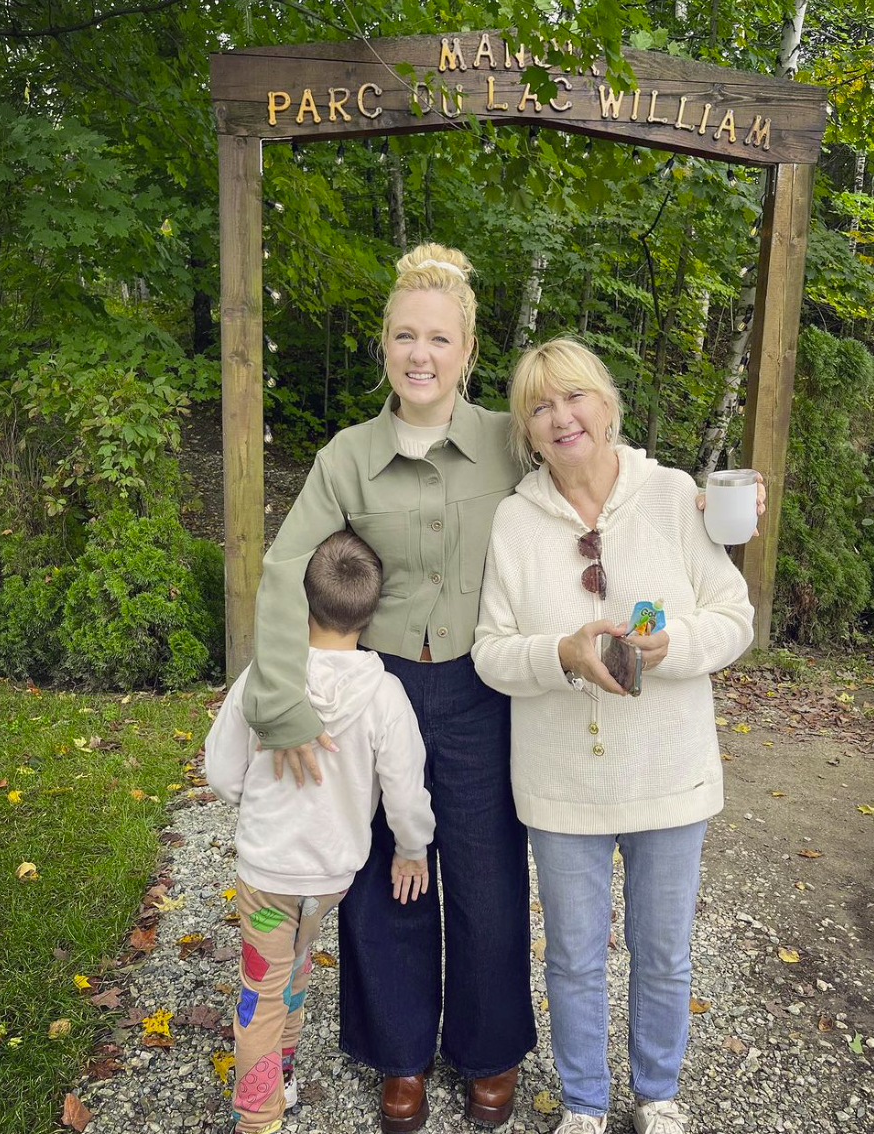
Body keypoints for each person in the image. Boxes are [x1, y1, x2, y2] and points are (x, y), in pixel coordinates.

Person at [241, 244, 537, 1131]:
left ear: (468, 352)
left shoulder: (505, 438)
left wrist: (691, 506)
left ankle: (488, 1052)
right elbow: (285, 571)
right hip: (382, 690)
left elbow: (592, 476)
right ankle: (399, 1055)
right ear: (383, 346)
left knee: (487, 877)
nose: (421, 354)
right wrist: (284, 701)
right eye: (404, 335)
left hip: (484, 690)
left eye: (439, 339)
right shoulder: (346, 457)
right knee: (383, 878)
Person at [471, 338, 756, 1134]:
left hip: (669, 772)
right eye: (540, 407)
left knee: (664, 955)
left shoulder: (670, 496)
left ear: (607, 402)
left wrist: (675, 649)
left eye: (575, 398)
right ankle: (587, 1105)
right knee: (572, 959)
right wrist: (560, 654)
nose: (562, 418)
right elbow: (491, 652)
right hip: (563, 783)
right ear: (526, 433)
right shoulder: (514, 521)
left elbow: (734, 617)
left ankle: (657, 1096)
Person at [206, 531, 436, 1134]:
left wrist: (249, 799)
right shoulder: (386, 695)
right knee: (297, 969)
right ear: (373, 610)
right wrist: (412, 849)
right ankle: (281, 1075)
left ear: (301, 604)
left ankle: (257, 1119)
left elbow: (221, 771)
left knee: (261, 987)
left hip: (266, 874)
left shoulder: (265, 680)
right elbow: (407, 792)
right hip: (330, 877)